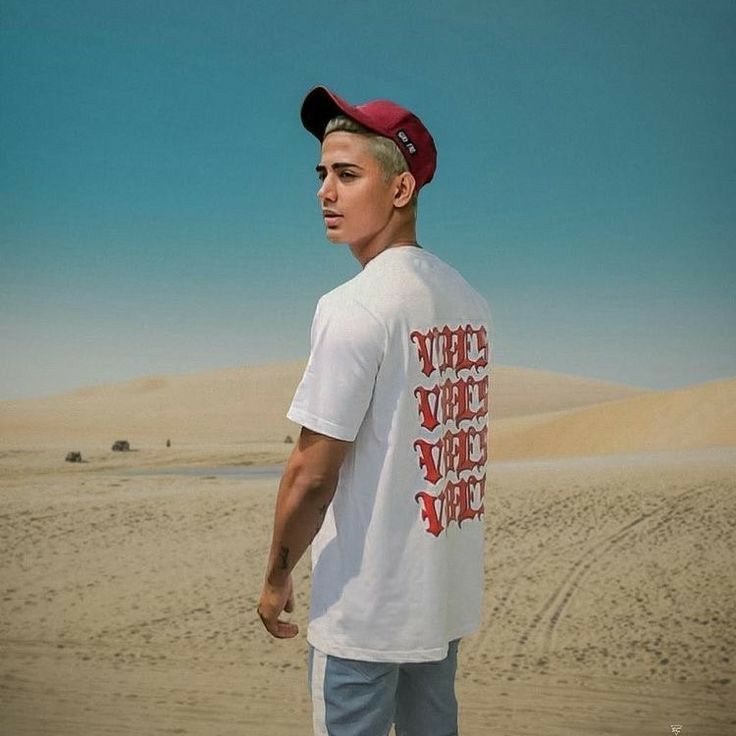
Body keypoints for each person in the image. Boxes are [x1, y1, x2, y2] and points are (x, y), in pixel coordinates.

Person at [257, 85, 492, 736]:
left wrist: (276, 576)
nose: (324, 192)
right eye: (322, 174)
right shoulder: (468, 301)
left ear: (400, 190)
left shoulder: (354, 307)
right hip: (439, 605)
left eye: (347, 174)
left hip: (364, 616)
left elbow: (311, 473)